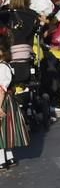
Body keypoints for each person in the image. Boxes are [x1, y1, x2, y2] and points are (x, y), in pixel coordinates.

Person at [0, 33, 29, 170]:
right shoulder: (7, 66)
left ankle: (1, 159)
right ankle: (10, 157)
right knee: (7, 131)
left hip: (2, 101)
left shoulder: (1, 67)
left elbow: (1, 90)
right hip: (9, 101)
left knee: (1, 133)